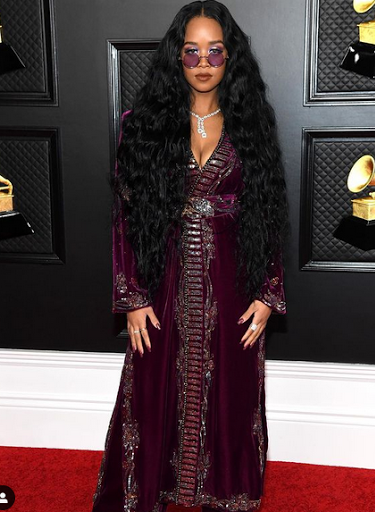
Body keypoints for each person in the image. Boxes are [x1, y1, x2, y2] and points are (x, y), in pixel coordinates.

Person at [91, 1, 287, 512]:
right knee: (153, 386)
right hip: (163, 276)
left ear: (230, 56)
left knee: (231, 389)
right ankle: (152, 488)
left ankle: (223, 491)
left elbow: (266, 209)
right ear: (176, 58)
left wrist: (268, 290)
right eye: (192, 51)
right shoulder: (141, 124)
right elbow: (125, 215)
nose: (203, 63)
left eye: (214, 52)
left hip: (233, 279)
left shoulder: (251, 123)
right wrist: (132, 296)